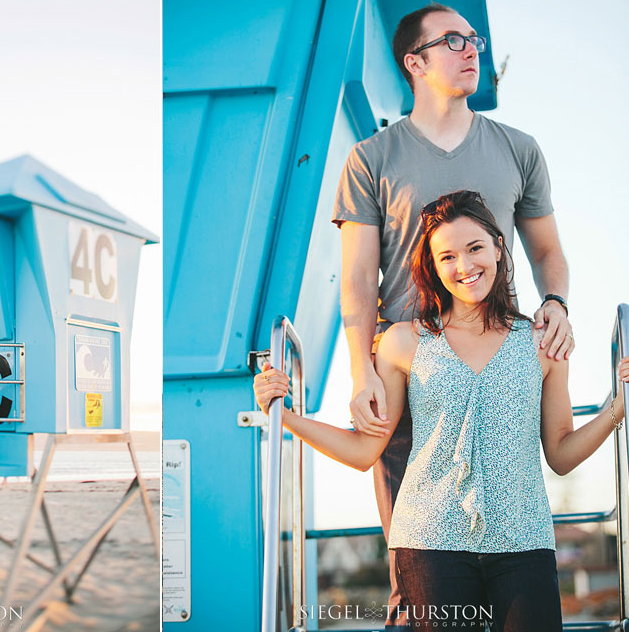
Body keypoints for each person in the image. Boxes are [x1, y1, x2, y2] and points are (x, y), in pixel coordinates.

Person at [255, 191, 629, 631]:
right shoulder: (402, 342)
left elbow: (562, 455)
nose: (465, 267)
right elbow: (363, 452)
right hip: (429, 544)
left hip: (524, 541)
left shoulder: (543, 342)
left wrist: (617, 407)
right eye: (447, 256)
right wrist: (283, 414)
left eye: (474, 248)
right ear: (433, 267)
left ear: (497, 247)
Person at [332, 2, 573, 628]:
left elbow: (548, 255)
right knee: (416, 576)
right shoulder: (371, 159)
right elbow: (358, 280)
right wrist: (361, 371)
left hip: (500, 371)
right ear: (415, 62)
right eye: (453, 40)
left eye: (475, 38)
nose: (472, 48)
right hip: (410, 376)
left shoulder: (519, 149)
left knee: (516, 560)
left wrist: (557, 305)